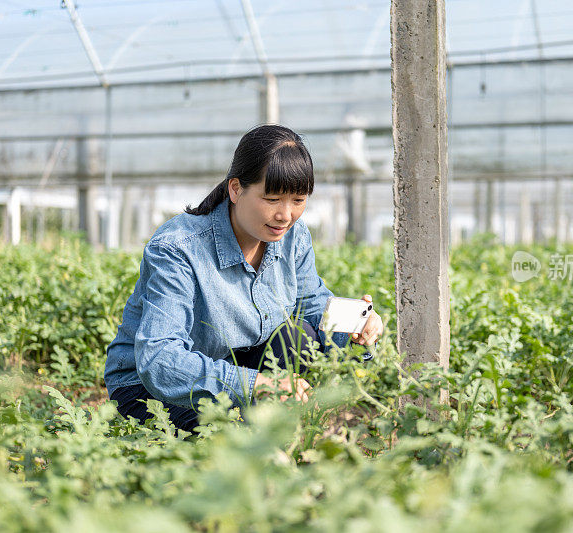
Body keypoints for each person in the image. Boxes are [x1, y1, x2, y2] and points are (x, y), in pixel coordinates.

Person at [104, 124, 384, 433]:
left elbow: (310, 302)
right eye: (273, 199)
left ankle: (267, 436)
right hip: (149, 389)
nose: (286, 215)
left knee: (298, 336)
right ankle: (257, 438)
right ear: (236, 189)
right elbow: (160, 361)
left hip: (237, 366)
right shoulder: (178, 248)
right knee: (230, 441)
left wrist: (357, 325)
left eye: (299, 200)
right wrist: (255, 385)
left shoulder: (292, 237)